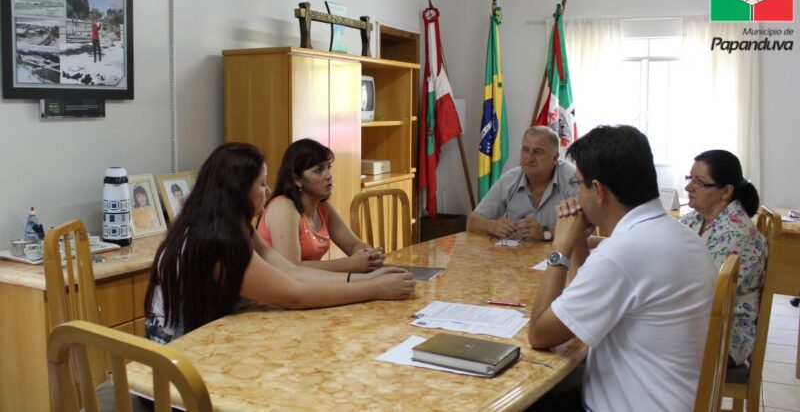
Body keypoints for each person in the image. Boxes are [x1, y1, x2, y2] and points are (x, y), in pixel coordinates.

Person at [144, 142, 415, 344]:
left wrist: (370, 279)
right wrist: (374, 288)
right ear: (238, 190)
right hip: (175, 377)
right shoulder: (220, 242)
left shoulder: (231, 226)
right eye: (262, 184)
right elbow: (294, 294)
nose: (268, 191)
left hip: (200, 349)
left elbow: (291, 271)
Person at [527, 125, 717, 411]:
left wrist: (560, 248)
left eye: (578, 184)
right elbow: (582, 298)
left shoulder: (623, 254)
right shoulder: (680, 235)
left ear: (597, 190)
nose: (576, 196)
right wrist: (577, 241)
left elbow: (540, 334)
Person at [681, 149, 766, 368]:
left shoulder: (739, 235)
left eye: (699, 182)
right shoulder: (696, 219)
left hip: (724, 336)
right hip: (697, 322)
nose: (688, 187)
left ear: (726, 191)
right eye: (690, 179)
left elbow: (704, 291)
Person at [258, 139, 385, 273]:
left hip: (307, 285)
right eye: (318, 170)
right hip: (279, 289)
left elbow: (352, 244)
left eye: (328, 167)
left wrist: (369, 255)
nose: (329, 175)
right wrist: (351, 263)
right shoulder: (283, 207)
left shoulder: (323, 206)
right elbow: (291, 268)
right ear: (297, 180)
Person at [467, 126, 576, 241]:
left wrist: (546, 232)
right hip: (516, 256)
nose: (529, 158)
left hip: (559, 256)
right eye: (525, 150)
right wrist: (493, 226)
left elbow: (586, 229)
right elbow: (472, 221)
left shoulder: (572, 180)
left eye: (538, 152)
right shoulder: (509, 180)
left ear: (555, 158)